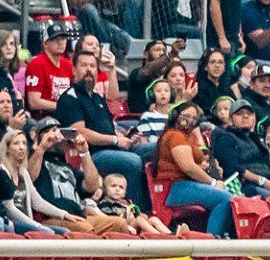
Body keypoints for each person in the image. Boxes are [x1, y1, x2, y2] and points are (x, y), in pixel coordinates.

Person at [55, 51, 148, 208]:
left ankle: (150, 212)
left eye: (92, 66)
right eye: (84, 65)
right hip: (92, 155)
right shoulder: (70, 98)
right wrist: (116, 140)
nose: (89, 70)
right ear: (74, 70)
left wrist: (126, 136)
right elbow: (80, 132)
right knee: (134, 162)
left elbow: (109, 127)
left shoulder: (97, 98)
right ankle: (133, 210)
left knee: (149, 150)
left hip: (112, 149)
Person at [154, 99, 236, 237]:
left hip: (190, 185)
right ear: (175, 115)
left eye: (194, 118)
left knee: (235, 200)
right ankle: (211, 244)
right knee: (225, 199)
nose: (190, 120)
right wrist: (213, 182)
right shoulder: (175, 135)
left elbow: (201, 158)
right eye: (186, 116)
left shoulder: (189, 136)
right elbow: (188, 168)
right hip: (176, 188)